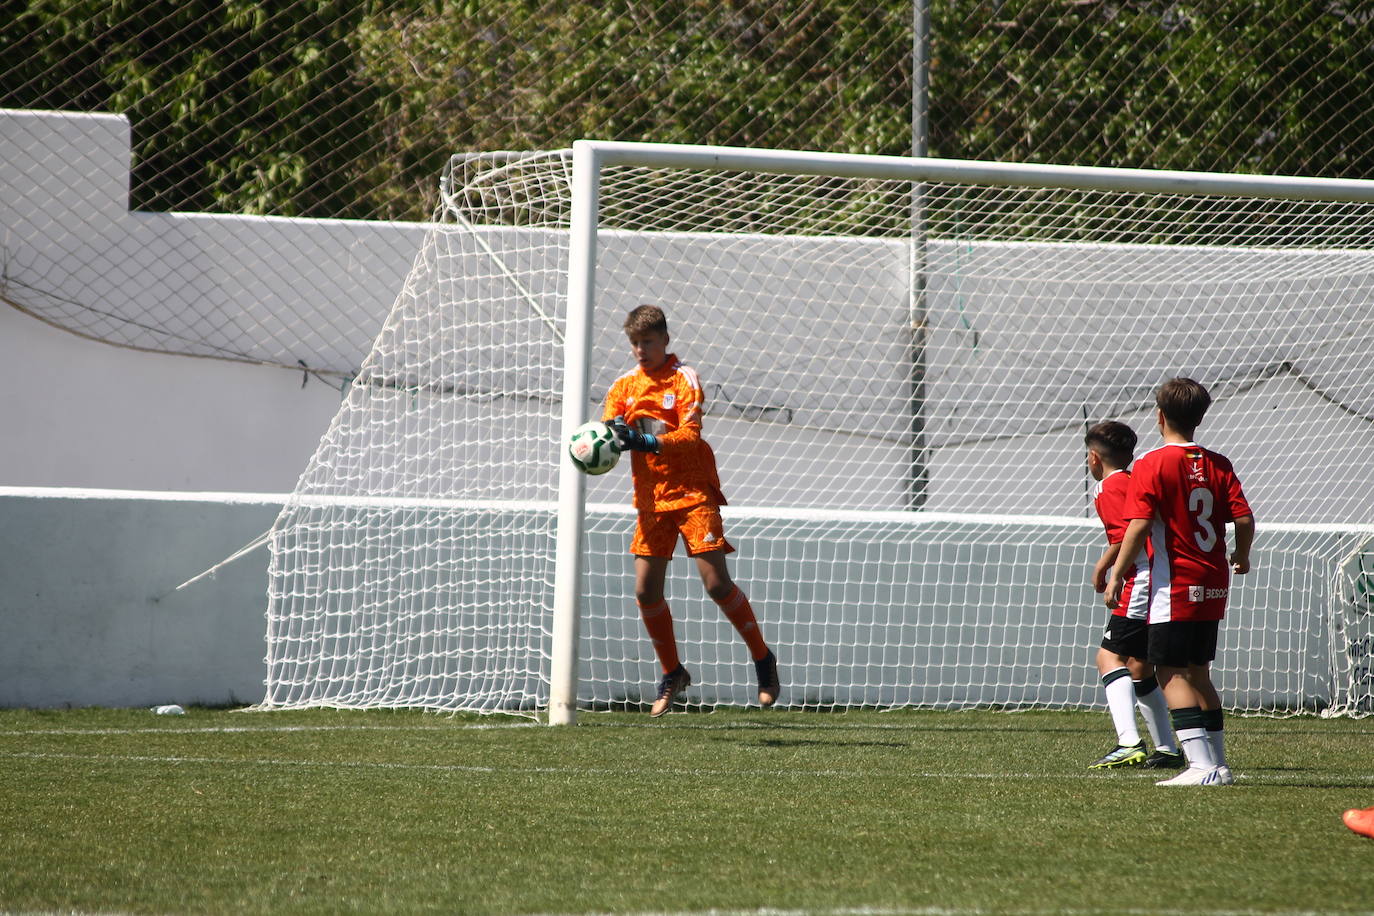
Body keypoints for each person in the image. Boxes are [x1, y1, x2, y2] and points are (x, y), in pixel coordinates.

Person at [602, 304, 780, 717]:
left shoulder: (684, 379)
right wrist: (604, 440)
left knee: (716, 583)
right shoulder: (623, 386)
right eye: (634, 343)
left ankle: (762, 659)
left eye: (647, 342)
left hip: (693, 492)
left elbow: (690, 433)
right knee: (645, 591)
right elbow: (609, 431)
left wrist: (647, 442)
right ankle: (673, 672)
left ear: (665, 340)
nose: (640, 350)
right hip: (650, 500)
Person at [1106, 378, 1254, 787]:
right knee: (1199, 671)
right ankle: (1219, 764)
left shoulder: (1153, 463)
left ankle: (1202, 766)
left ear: (1159, 416)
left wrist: (1117, 572)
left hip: (1174, 586)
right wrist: (1241, 554)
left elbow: (1137, 526)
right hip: (1213, 582)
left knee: (1170, 673)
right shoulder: (1218, 462)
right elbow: (1242, 518)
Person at [1083, 420, 1182, 771]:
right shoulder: (1132, 480)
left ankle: (1128, 742)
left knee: (1108, 658)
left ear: (1094, 458)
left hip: (1141, 580)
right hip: (1158, 578)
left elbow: (1125, 534)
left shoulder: (1110, 487)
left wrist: (1104, 571)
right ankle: (1168, 749)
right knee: (1139, 667)